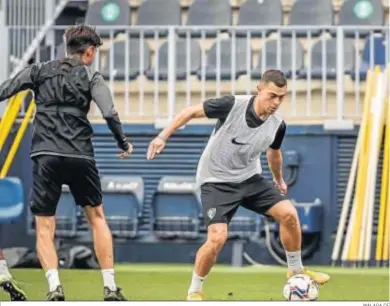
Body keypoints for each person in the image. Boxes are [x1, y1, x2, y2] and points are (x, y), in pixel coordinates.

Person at [147, 69, 330, 300]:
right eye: (272, 95)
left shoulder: (278, 124)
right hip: (216, 181)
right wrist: (162, 136)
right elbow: (191, 112)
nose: (276, 102)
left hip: (249, 179)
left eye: (281, 97)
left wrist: (279, 179)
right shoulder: (232, 105)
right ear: (259, 90)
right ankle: (195, 290)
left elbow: (274, 154)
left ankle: (296, 270)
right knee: (217, 238)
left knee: (289, 214)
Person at [0, 25, 132, 301]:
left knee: (45, 225)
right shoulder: (90, 74)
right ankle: (110, 288)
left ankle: (54, 289)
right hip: (80, 155)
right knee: (96, 217)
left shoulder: (39, 70)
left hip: (45, 155)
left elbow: (5, 89)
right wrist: (123, 142)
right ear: (90, 51)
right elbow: (109, 111)